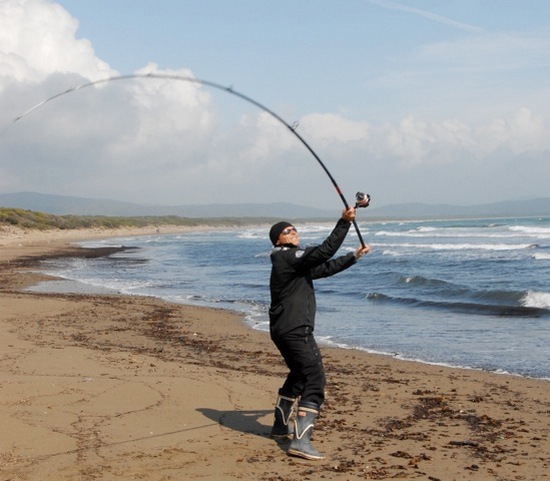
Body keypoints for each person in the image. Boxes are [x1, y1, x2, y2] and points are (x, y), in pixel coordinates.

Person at [268, 207, 370, 460]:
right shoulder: (287, 257)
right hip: (295, 329)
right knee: (315, 379)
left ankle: (280, 426)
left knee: (299, 375)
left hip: (283, 329)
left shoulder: (292, 263)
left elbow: (323, 268)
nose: (293, 232)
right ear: (277, 239)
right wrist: (344, 222)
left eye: (294, 228)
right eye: (287, 230)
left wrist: (353, 257)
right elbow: (324, 251)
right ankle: (301, 442)